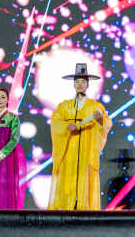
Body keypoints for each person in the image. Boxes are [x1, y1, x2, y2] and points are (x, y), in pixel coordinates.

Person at [49, 63, 112, 210]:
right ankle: (66, 207)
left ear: (88, 85)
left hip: (86, 149)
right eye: (77, 81)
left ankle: (84, 208)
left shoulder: (96, 106)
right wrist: (66, 126)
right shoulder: (64, 106)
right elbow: (55, 122)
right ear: (73, 84)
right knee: (67, 176)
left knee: (85, 177)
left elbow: (106, 124)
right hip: (69, 149)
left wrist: (100, 121)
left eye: (83, 81)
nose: (80, 84)